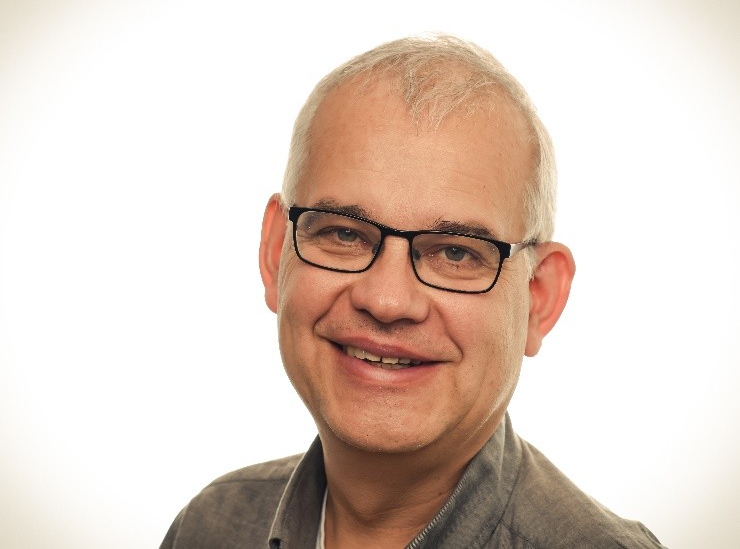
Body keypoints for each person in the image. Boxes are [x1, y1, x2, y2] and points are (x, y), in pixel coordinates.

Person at [161, 34, 665, 548]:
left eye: (456, 253)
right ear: (275, 253)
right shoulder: (208, 529)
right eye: (344, 234)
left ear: (539, 299)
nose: (386, 301)